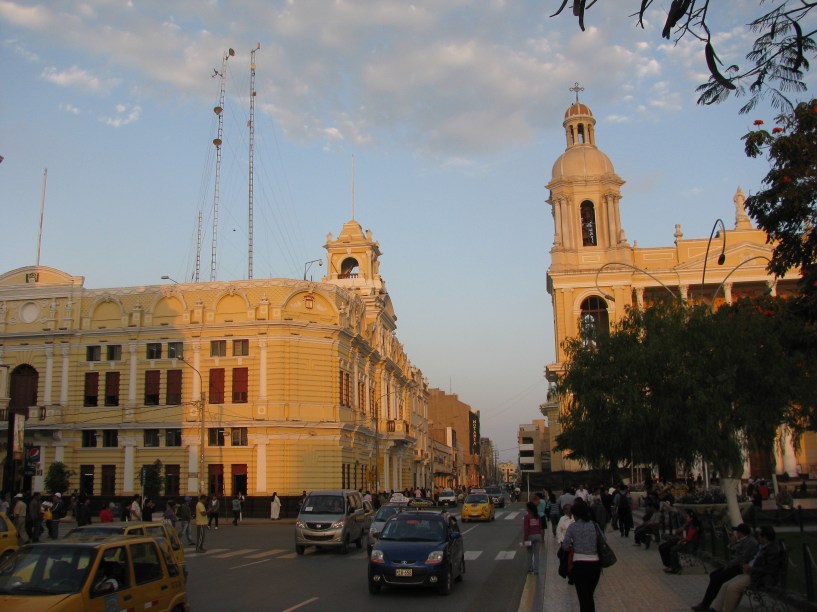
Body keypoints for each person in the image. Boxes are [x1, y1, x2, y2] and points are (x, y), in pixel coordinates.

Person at [711, 526, 784, 612]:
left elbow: (770, 569)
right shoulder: (763, 546)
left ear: (765, 537)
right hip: (749, 572)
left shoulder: (772, 550)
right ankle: (716, 609)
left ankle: (727, 610)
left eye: (760, 536)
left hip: (758, 576)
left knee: (732, 588)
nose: (758, 537)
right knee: (725, 585)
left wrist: (751, 569)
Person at [691, 523, 758, 611]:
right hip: (734, 565)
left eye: (737, 532)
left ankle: (705, 604)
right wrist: (732, 543)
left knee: (717, 579)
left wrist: (729, 564)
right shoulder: (743, 540)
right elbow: (734, 551)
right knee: (713, 575)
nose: (736, 534)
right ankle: (713, 599)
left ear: (741, 532)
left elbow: (741, 558)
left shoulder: (750, 542)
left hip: (739, 567)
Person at [561, 498, 603, 612]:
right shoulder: (594, 525)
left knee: (583, 597)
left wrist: (573, 547)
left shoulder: (573, 527)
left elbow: (565, 545)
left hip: (579, 565)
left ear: (575, 514)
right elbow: (603, 539)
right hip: (595, 564)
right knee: (589, 595)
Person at [659, 508, 700, 573]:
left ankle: (674, 567)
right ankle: (671, 565)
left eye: (687, 517)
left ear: (691, 518)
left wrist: (681, 540)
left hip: (689, 545)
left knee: (674, 549)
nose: (686, 518)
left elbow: (689, 538)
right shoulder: (688, 524)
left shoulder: (692, 526)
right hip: (685, 542)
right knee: (669, 547)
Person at [522, 501, 544, 574]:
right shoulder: (538, 516)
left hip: (530, 536)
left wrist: (525, 539)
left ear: (529, 508)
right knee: (537, 553)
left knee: (529, 553)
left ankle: (530, 568)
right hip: (538, 536)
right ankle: (536, 570)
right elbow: (540, 527)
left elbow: (526, 528)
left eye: (527, 507)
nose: (526, 509)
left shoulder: (527, 517)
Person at [556, 503, 575, 579]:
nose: (567, 510)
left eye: (568, 508)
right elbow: (559, 531)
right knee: (566, 560)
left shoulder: (575, 518)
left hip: (575, 543)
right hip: (566, 543)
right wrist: (561, 540)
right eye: (565, 509)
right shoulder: (562, 519)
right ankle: (568, 573)